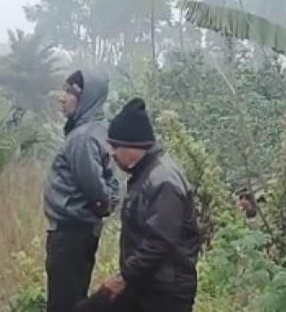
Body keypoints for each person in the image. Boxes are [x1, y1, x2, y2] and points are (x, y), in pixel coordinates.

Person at [86, 98, 202, 312]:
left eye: (115, 146)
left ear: (134, 146)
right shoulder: (143, 174)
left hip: (166, 293)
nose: (111, 153)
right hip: (143, 284)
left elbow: (159, 243)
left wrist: (122, 278)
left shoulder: (164, 180)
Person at [43, 70, 119, 312]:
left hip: (71, 234)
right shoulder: (94, 130)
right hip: (77, 232)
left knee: (64, 302)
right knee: (72, 296)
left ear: (87, 99)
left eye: (71, 92)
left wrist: (104, 204)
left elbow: (96, 188)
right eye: (64, 90)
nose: (62, 98)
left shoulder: (83, 138)